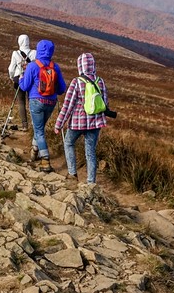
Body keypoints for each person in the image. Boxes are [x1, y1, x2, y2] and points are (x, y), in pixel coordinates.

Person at [54, 52, 110, 185]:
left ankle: (72, 174)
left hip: (77, 123)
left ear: (80, 66)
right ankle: (91, 182)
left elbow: (68, 105)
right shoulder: (100, 81)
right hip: (95, 123)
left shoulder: (77, 82)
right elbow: (105, 104)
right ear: (93, 65)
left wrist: (59, 124)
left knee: (68, 143)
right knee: (90, 150)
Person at [17, 39, 66, 171]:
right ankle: (34, 152)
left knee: (39, 130)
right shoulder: (55, 67)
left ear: (38, 50)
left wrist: (21, 78)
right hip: (51, 102)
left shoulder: (33, 66)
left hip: (36, 101)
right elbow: (62, 89)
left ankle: (45, 160)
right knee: (40, 128)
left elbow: (25, 86)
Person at [7, 34, 37, 130]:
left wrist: (12, 77)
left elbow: (11, 68)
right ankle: (34, 123)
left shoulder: (15, 53)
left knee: (21, 102)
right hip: (31, 80)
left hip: (19, 78)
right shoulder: (34, 53)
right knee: (31, 101)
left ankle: (24, 125)